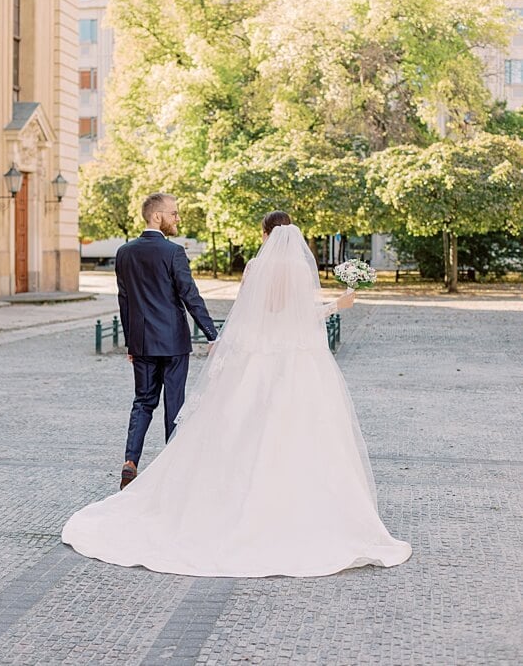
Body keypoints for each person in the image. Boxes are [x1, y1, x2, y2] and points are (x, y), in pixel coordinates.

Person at [62, 211, 412, 577]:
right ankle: (299, 511)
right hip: (296, 365)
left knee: (241, 431)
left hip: (256, 363)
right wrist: (337, 305)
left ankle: (222, 501)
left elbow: (249, 318)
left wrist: (221, 345)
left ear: (265, 234)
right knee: (305, 435)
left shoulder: (254, 269)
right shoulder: (298, 272)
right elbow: (298, 318)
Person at [114, 192, 219, 489]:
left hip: (143, 343)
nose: (177, 218)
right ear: (156, 216)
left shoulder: (124, 253)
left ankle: (130, 461)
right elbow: (189, 296)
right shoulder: (173, 252)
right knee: (175, 404)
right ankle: (172, 471)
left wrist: (130, 343)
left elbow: (125, 301)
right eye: (173, 213)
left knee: (143, 402)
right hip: (173, 342)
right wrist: (212, 333)